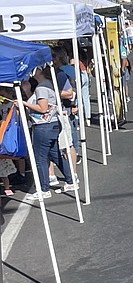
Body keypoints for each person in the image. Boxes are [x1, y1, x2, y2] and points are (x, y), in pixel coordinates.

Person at [25, 66, 76, 200]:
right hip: (53, 123)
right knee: (54, 154)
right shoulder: (48, 84)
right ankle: (70, 180)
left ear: (40, 71)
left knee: (39, 158)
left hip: (43, 126)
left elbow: (42, 108)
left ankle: (44, 189)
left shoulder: (42, 87)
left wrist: (23, 103)